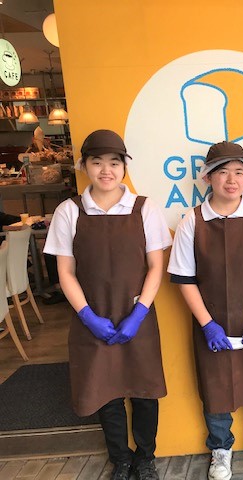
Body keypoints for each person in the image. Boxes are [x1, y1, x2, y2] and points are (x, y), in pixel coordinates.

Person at [43, 129, 172, 480]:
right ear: (84, 165)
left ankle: (145, 457)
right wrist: (87, 315)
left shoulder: (144, 208)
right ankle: (121, 459)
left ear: (124, 167)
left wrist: (140, 313)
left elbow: (156, 266)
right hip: (92, 315)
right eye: (97, 162)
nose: (106, 170)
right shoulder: (69, 211)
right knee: (106, 392)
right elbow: (65, 271)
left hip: (137, 315)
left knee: (144, 391)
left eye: (114, 163)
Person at [168, 141, 243, 480]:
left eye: (239, 172)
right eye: (222, 172)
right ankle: (220, 449)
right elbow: (184, 279)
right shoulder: (192, 221)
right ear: (208, 178)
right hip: (211, 320)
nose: (231, 180)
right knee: (216, 385)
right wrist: (207, 324)